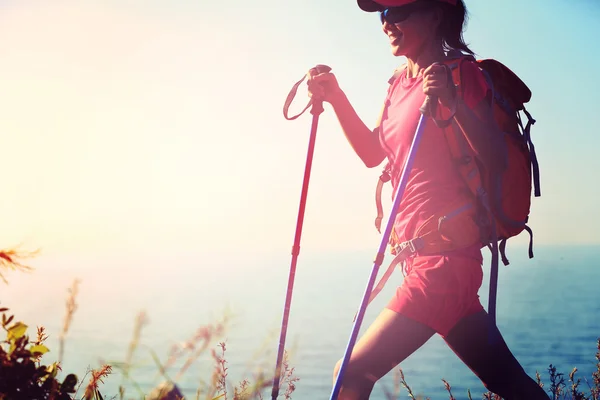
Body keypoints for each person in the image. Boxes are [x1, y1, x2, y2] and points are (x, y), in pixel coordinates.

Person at [306, 1, 550, 399]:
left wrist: (454, 104)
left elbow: (495, 156)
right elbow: (372, 153)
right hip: (422, 260)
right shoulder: (398, 84)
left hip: (445, 264)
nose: (387, 23)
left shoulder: (462, 73)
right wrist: (335, 97)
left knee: (349, 373)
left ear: (436, 13)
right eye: (383, 15)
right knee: (510, 384)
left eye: (398, 12)